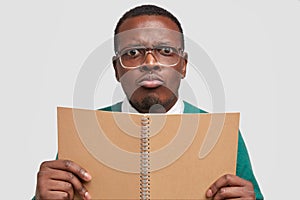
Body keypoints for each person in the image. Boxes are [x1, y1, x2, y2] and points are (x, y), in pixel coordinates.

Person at [34, 4, 264, 200]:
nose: (150, 62)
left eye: (165, 50)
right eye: (133, 52)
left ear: (183, 65)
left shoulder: (222, 134)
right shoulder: (85, 131)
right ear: (117, 69)